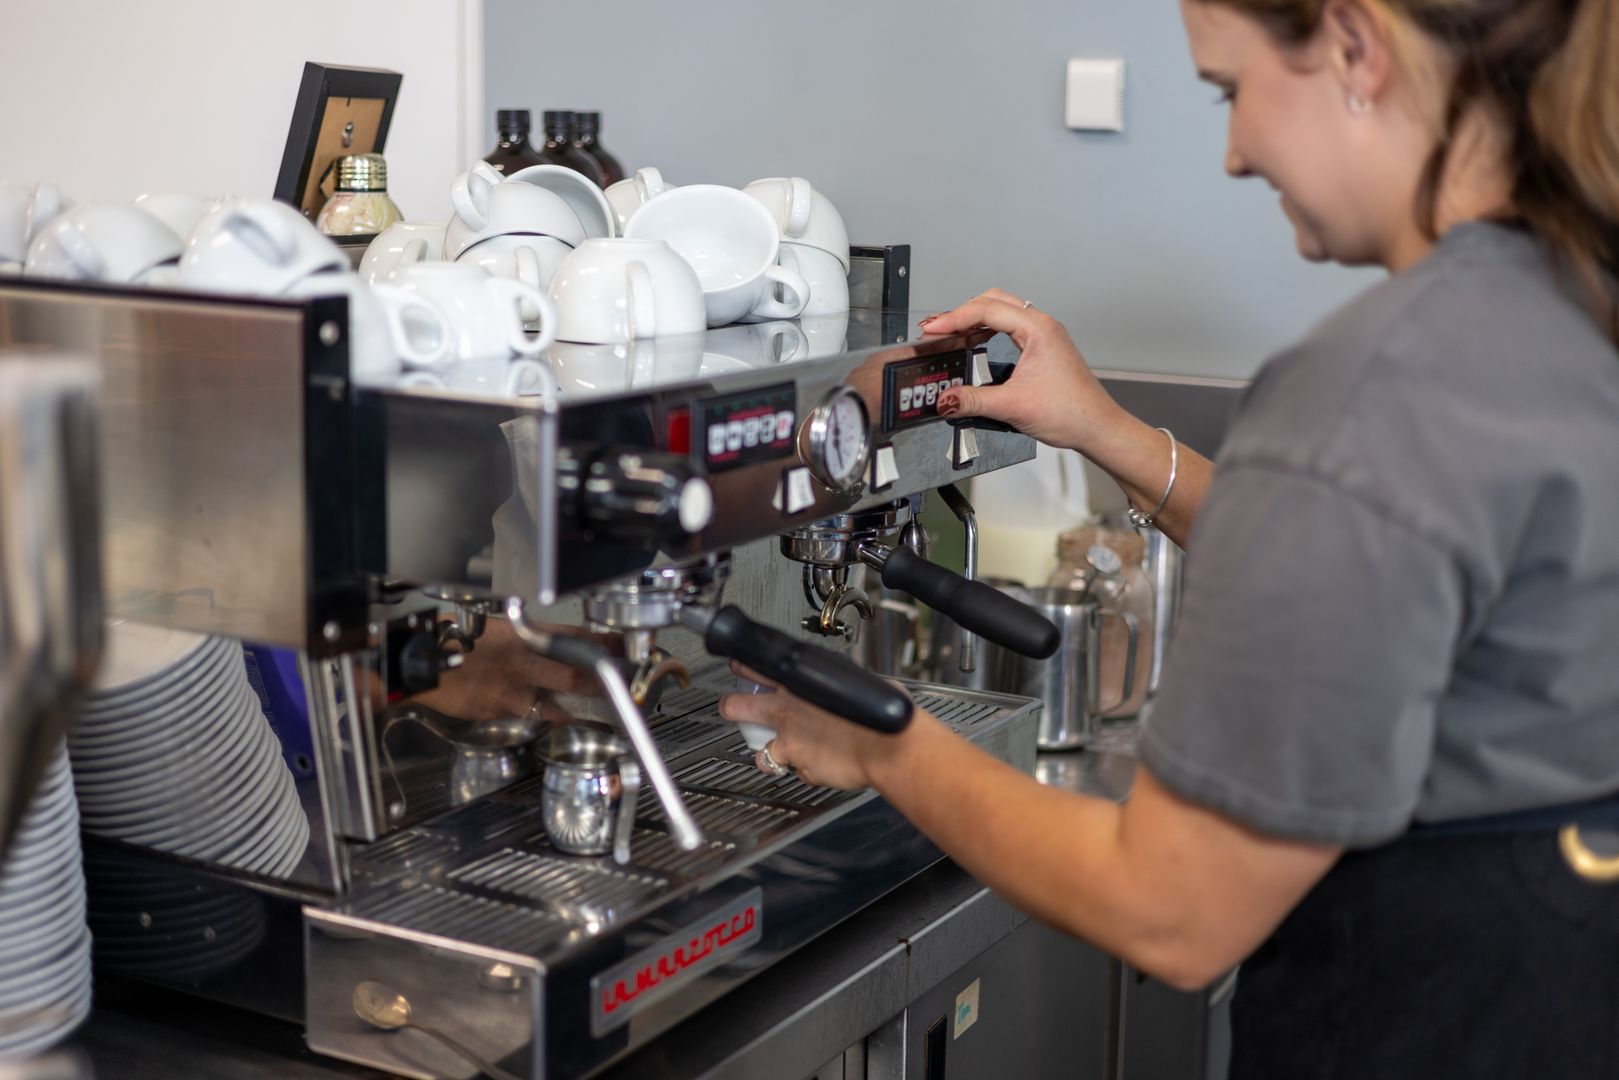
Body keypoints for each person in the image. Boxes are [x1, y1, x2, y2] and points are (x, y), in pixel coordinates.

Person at [720, 1, 1619, 1075]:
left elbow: (1171, 912)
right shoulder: (1567, 304)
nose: (1234, 154)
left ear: (1351, 45)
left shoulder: (1375, 387)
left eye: (1229, 90)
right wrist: (1099, 428)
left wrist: (883, 745)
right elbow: (1378, 561)